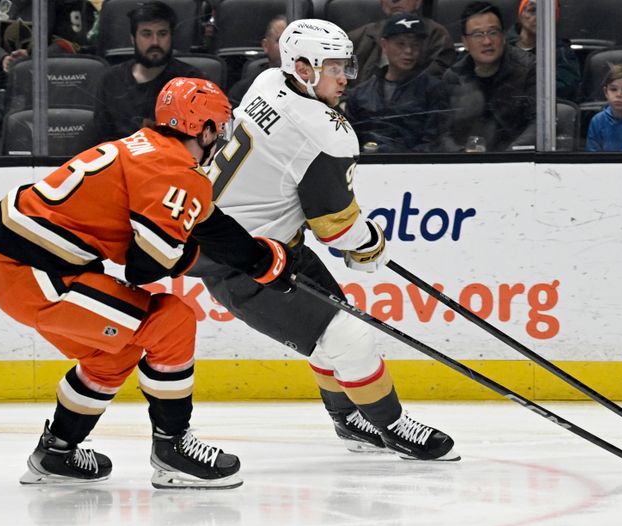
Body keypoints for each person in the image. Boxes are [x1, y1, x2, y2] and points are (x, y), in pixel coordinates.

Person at [0, 77, 295, 488]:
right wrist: (235, 264)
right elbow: (146, 267)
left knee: (113, 354)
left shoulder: (148, 147)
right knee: (171, 321)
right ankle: (173, 449)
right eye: (219, 127)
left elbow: (207, 222)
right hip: (37, 275)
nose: (220, 136)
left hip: (17, 266)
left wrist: (259, 259)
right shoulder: (175, 172)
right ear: (202, 129)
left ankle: (56, 452)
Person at [190, 18, 458, 462]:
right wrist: (369, 245)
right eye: (333, 67)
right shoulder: (323, 131)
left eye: (346, 66)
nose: (344, 78)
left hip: (266, 246)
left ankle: (348, 418)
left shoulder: (268, 79)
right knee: (348, 335)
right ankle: (391, 426)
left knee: (332, 331)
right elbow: (334, 226)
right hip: (245, 263)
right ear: (302, 67)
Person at [93, 1, 204, 143]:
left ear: (171, 36)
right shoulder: (110, 80)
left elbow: (198, 142)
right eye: (147, 34)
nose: (155, 42)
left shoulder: (191, 80)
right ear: (133, 39)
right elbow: (103, 142)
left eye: (162, 34)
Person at [441, 2, 536, 152]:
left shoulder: (528, 68)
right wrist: (460, 153)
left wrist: (510, 156)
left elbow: (539, 123)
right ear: (465, 42)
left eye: (493, 32)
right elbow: (442, 133)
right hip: (468, 165)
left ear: (503, 36)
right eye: (478, 35)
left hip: (517, 162)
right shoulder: (454, 76)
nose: (487, 41)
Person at [345, 13, 447, 153]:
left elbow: (434, 142)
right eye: (400, 44)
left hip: (416, 168)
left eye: (415, 45)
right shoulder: (360, 94)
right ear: (384, 45)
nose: (408, 51)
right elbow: (349, 143)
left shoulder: (433, 90)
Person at [0, 1, 93, 79]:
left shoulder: (69, 2)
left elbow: (70, 42)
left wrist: (35, 59)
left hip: (50, 78)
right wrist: (1, 58)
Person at [349, 0, 455, 85]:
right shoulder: (358, 37)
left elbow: (437, 81)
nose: (394, 1)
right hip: (360, 105)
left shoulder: (436, 35)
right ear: (381, 2)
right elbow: (338, 79)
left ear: (418, 2)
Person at [505, 0, 581, 102]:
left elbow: (567, 87)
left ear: (554, 18)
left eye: (545, 12)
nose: (539, 17)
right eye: (532, 10)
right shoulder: (501, 47)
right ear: (521, 14)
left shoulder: (562, 52)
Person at [227, 14, 287, 107]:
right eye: (281, 40)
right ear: (265, 46)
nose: (287, 47)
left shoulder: (314, 89)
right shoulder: (242, 91)